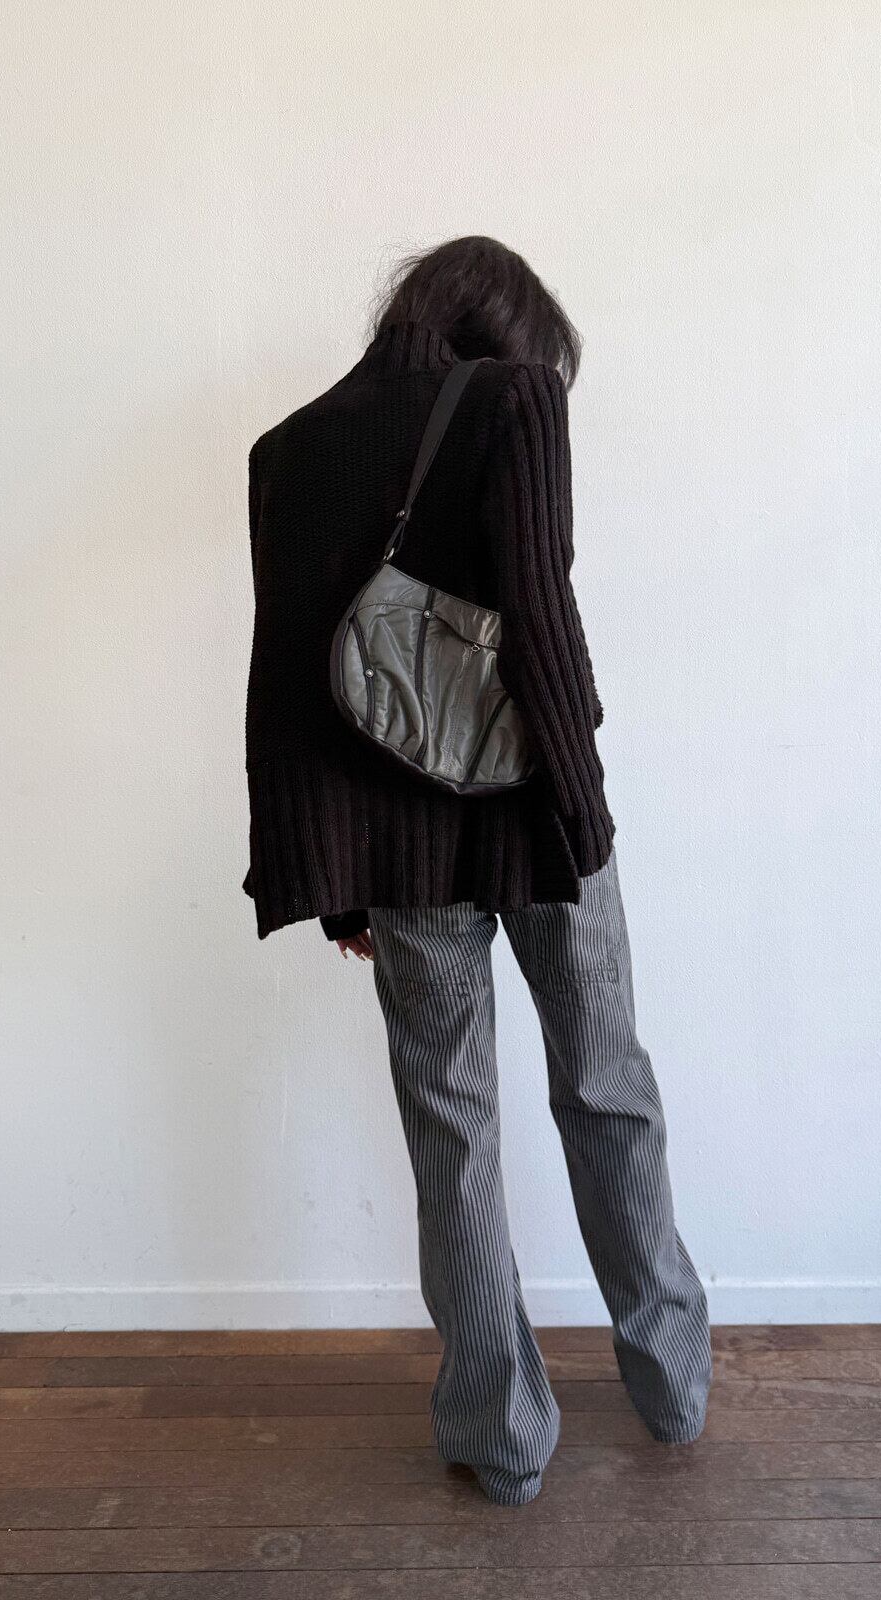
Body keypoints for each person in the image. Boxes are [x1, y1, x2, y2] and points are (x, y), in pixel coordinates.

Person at [243, 236, 711, 1505]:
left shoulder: (286, 449)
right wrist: (583, 814)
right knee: (606, 1082)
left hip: (399, 855)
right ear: (507, 332)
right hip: (538, 822)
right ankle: (670, 1382)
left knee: (450, 1127)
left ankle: (499, 1439)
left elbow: (289, 682)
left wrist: (338, 882)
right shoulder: (516, 398)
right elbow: (540, 613)